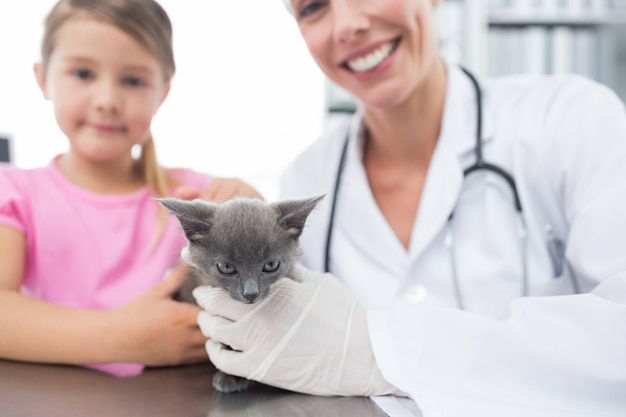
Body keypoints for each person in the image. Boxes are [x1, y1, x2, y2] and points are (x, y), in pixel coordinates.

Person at [193, 0, 626, 416]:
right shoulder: (307, 179)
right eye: (313, 6)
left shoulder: (573, 120)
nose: (348, 24)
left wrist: (376, 350)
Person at [0, 0, 262, 377]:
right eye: (83, 73)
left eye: (133, 81)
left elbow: (275, 288)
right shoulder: (15, 195)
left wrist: (253, 207)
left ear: (163, 92)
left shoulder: (198, 199)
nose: (107, 101)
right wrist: (125, 337)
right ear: (43, 79)